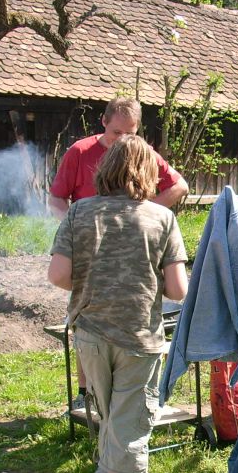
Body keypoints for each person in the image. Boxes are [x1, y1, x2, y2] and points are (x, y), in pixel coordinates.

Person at [48, 134, 189, 473]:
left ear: (104, 170)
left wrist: (97, 283)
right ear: (148, 173)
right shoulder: (161, 218)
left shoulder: (78, 213)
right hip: (138, 339)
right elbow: (178, 291)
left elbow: (58, 276)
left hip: (89, 334)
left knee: (116, 426)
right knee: (128, 432)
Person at [49, 97, 189, 413]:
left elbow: (180, 185)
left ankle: (112, 412)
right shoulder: (80, 152)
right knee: (90, 323)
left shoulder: (142, 153)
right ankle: (88, 394)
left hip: (132, 249)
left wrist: (146, 216)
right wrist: (72, 230)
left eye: (131, 133)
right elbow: (57, 199)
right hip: (90, 248)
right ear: (103, 122)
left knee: (106, 330)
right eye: (116, 132)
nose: (123, 140)